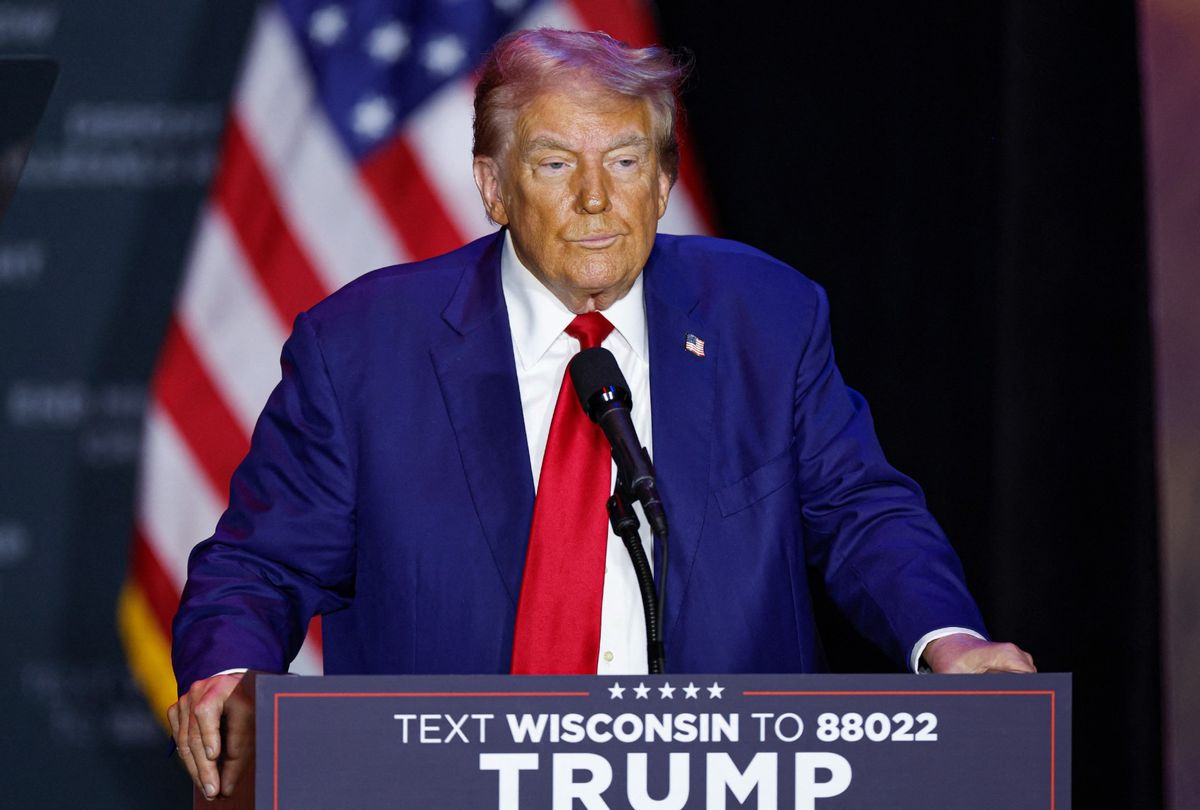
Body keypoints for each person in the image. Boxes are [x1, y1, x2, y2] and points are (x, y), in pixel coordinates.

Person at [168, 28, 1035, 799]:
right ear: (493, 185)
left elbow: (860, 511)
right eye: (553, 163)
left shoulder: (764, 317)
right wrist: (230, 678)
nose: (595, 198)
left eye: (624, 161)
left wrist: (947, 641)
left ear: (662, 182)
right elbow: (260, 565)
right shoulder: (363, 349)